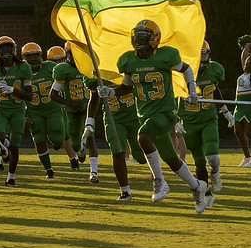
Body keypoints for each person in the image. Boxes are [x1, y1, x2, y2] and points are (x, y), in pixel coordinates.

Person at [97, 19, 208, 213]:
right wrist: (111, 92)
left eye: (143, 37)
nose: (138, 41)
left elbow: (186, 69)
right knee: (172, 159)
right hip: (146, 115)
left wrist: (191, 91)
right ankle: (197, 187)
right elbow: (126, 86)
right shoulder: (129, 60)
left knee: (143, 137)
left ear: (154, 40)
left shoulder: (165, 56)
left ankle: (159, 181)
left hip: (165, 112)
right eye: (136, 37)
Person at [177, 40, 232, 207]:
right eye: (197, 55)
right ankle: (206, 192)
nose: (201, 60)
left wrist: (225, 111)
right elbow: (172, 97)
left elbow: (215, 90)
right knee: (199, 161)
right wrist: (176, 120)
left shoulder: (214, 69)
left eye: (203, 55)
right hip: (189, 122)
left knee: (213, 157)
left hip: (208, 119)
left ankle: (215, 172)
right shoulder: (180, 73)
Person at [83, 73, 146, 201]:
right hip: (114, 118)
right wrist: (89, 121)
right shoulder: (96, 75)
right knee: (117, 152)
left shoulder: (125, 68)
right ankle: (125, 191)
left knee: (141, 157)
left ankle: (157, 177)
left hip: (135, 116)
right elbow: (93, 99)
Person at [50, 42, 99, 182]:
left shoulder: (89, 68)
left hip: (86, 108)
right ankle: (81, 148)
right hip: (71, 110)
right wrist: (69, 103)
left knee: (90, 137)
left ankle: (94, 172)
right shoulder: (63, 69)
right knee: (76, 144)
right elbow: (53, 94)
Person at [0, 36, 33, 186]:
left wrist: (12, 90)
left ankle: (11, 177)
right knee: (0, 137)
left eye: (8, 48)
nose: (6, 51)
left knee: (15, 146)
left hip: (17, 110)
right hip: (0, 109)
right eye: (2, 49)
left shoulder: (23, 67)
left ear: (14, 49)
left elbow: (29, 95)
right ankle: (4, 147)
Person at [22, 42, 64, 179]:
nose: (33, 58)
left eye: (35, 55)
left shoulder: (50, 67)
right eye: (30, 56)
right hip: (34, 111)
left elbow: (62, 81)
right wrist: (23, 115)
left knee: (57, 137)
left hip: (53, 109)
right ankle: (49, 169)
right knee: (39, 138)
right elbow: (18, 95)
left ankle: (56, 142)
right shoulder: (21, 71)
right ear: (24, 57)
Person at [233, 35, 251, 166]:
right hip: (239, 106)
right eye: (247, 62)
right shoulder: (244, 73)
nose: (247, 62)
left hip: (249, 106)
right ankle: (246, 157)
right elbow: (243, 57)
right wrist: (247, 45)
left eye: (249, 62)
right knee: (238, 132)